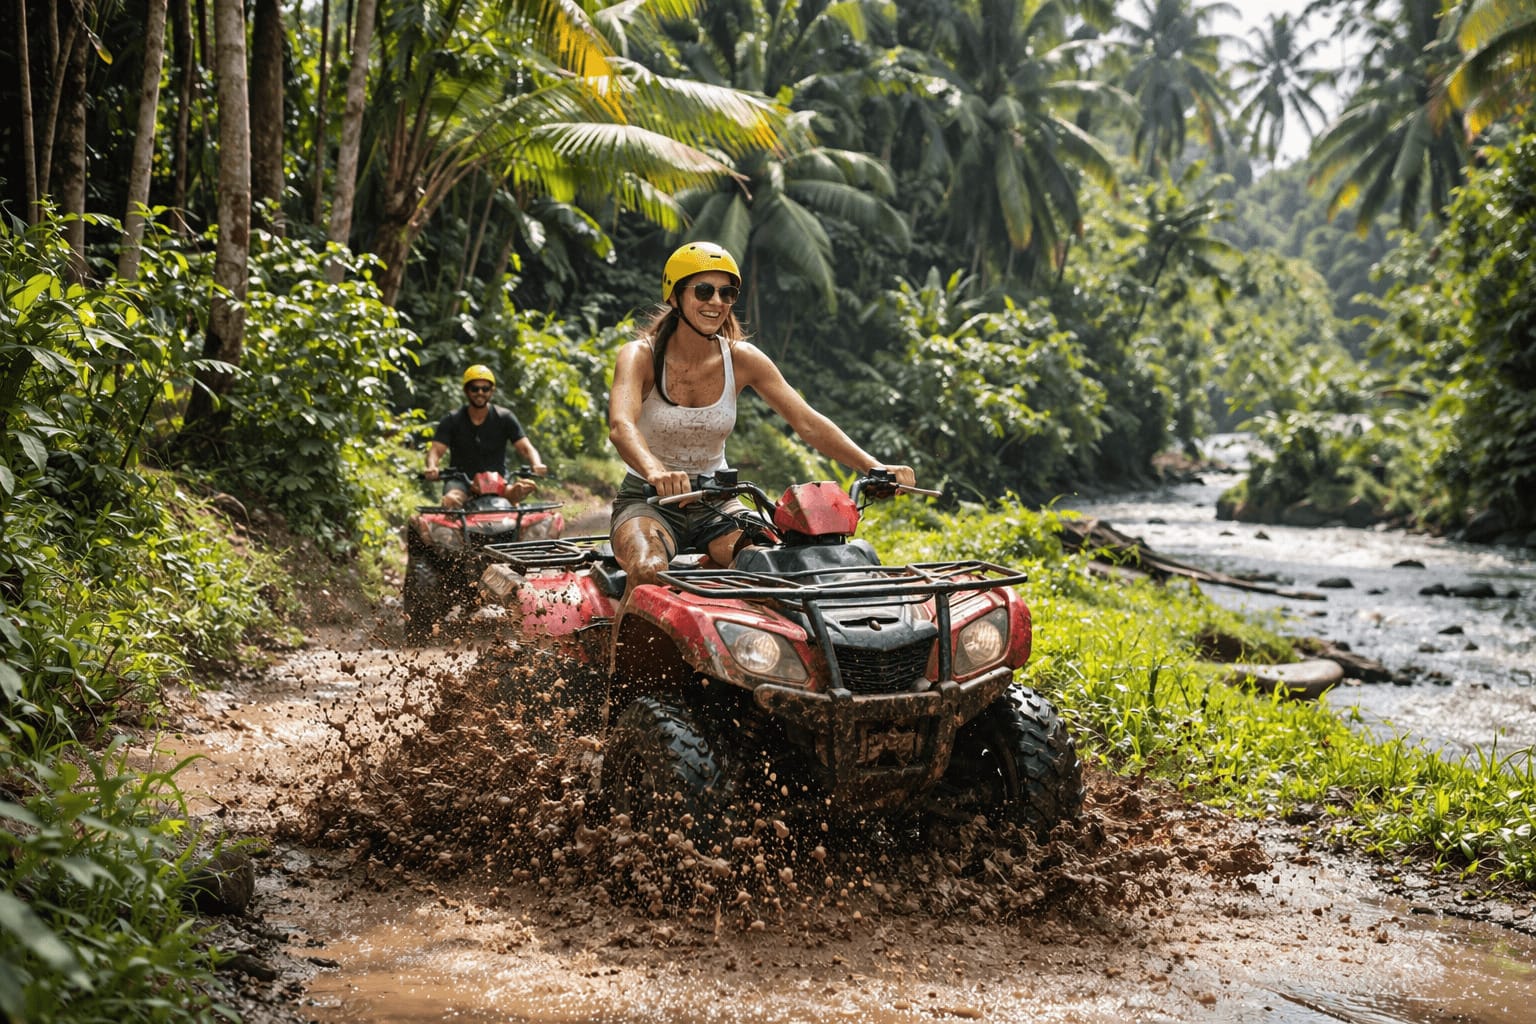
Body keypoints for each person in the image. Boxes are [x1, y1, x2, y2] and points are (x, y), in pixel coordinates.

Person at [608, 241, 915, 598]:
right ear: (675, 297)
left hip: (717, 502)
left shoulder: (743, 359)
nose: (717, 302)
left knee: (773, 566)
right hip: (648, 501)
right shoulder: (639, 356)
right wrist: (655, 471)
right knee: (649, 570)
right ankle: (621, 654)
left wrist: (873, 467)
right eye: (704, 290)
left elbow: (808, 422)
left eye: (727, 293)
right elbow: (621, 426)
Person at [424, 364, 548, 508]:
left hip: (497, 480)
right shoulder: (452, 419)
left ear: (492, 391)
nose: (480, 392)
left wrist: (536, 464)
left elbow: (526, 448)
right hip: (461, 482)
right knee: (451, 500)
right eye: (475, 389)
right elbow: (436, 450)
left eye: (485, 388)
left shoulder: (504, 417)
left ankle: (513, 498)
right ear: (466, 391)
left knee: (517, 494)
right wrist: (432, 467)